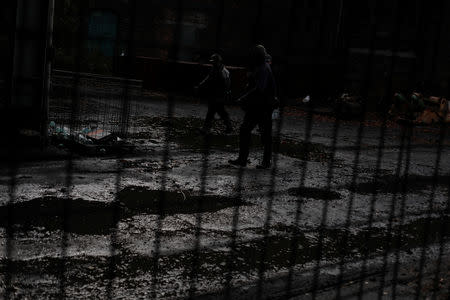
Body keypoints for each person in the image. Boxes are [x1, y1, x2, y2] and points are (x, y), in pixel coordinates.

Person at [229, 45, 278, 169]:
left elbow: (259, 88)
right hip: (257, 106)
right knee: (246, 130)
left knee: (264, 134)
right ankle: (243, 159)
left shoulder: (263, 68)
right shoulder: (261, 67)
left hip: (264, 107)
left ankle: (264, 161)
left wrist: (244, 97)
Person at [195, 53, 233, 134]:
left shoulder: (224, 71)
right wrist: (200, 85)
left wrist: (223, 95)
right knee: (221, 112)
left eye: (214, 61)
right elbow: (208, 78)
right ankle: (229, 127)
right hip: (214, 95)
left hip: (219, 96)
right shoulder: (214, 69)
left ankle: (206, 129)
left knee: (212, 112)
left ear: (218, 62)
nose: (212, 63)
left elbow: (227, 85)